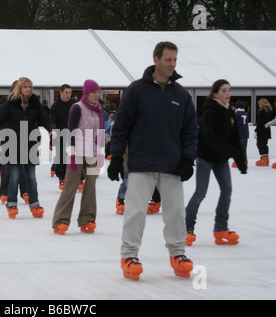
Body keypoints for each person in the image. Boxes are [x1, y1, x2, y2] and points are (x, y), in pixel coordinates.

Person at [107, 41, 198, 280]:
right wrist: (117, 157)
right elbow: (121, 127)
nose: (172, 64)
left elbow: (190, 130)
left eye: (175, 60)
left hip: (172, 163)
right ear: (156, 59)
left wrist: (188, 158)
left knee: (176, 212)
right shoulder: (136, 91)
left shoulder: (181, 95)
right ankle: (129, 255)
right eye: (168, 59)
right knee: (135, 211)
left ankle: (178, 253)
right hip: (141, 162)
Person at [185, 79, 247, 247]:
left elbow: (235, 138)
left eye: (229, 90)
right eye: (223, 90)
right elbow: (209, 137)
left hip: (220, 159)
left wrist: (240, 160)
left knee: (227, 190)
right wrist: (229, 151)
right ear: (215, 93)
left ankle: (220, 229)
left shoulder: (229, 113)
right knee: (200, 193)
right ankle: (186, 228)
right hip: (205, 158)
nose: (227, 93)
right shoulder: (210, 112)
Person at [0, 77, 55, 219]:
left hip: (30, 144)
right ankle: (12, 203)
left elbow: (44, 118)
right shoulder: (10, 104)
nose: (28, 89)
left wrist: (51, 129)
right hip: (13, 144)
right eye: (25, 86)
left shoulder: (34, 103)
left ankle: (35, 204)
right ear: (19, 88)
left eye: (30, 87)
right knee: (14, 176)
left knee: (31, 177)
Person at [52, 80, 105, 234]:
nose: (96, 95)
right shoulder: (77, 108)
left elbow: (100, 133)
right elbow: (71, 131)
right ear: (87, 93)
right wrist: (72, 153)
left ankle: (87, 219)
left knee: (90, 187)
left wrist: (100, 154)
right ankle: (60, 220)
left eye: (98, 92)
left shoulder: (99, 110)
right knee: (71, 186)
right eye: (94, 92)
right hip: (77, 153)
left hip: (92, 155)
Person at [49, 84, 78, 189]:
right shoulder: (55, 106)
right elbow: (52, 121)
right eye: (66, 93)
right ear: (61, 92)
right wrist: (53, 132)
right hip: (61, 135)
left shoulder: (75, 104)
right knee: (61, 158)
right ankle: (62, 178)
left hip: (74, 135)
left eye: (70, 93)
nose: (68, 95)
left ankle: (79, 178)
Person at [255, 98, 274, 166]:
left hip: (261, 131)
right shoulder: (269, 111)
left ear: (262, 104)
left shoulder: (261, 112)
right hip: (267, 130)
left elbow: (260, 123)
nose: (259, 105)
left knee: (260, 144)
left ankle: (263, 160)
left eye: (259, 104)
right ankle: (266, 159)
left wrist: (256, 130)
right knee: (264, 145)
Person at [231, 101, 249, 167]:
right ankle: (245, 161)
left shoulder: (236, 114)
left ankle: (238, 162)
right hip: (246, 134)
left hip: (239, 134)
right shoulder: (246, 114)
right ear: (243, 107)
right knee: (244, 149)